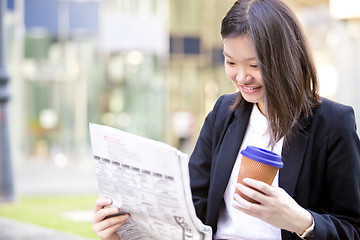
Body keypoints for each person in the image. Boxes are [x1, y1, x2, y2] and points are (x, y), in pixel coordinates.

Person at [91, 0, 360, 239]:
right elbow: (191, 206)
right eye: (231, 62)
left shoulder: (333, 123)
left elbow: (353, 228)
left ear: (285, 59)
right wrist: (124, 228)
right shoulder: (224, 113)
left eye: (255, 66)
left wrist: (301, 222)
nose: (242, 77)